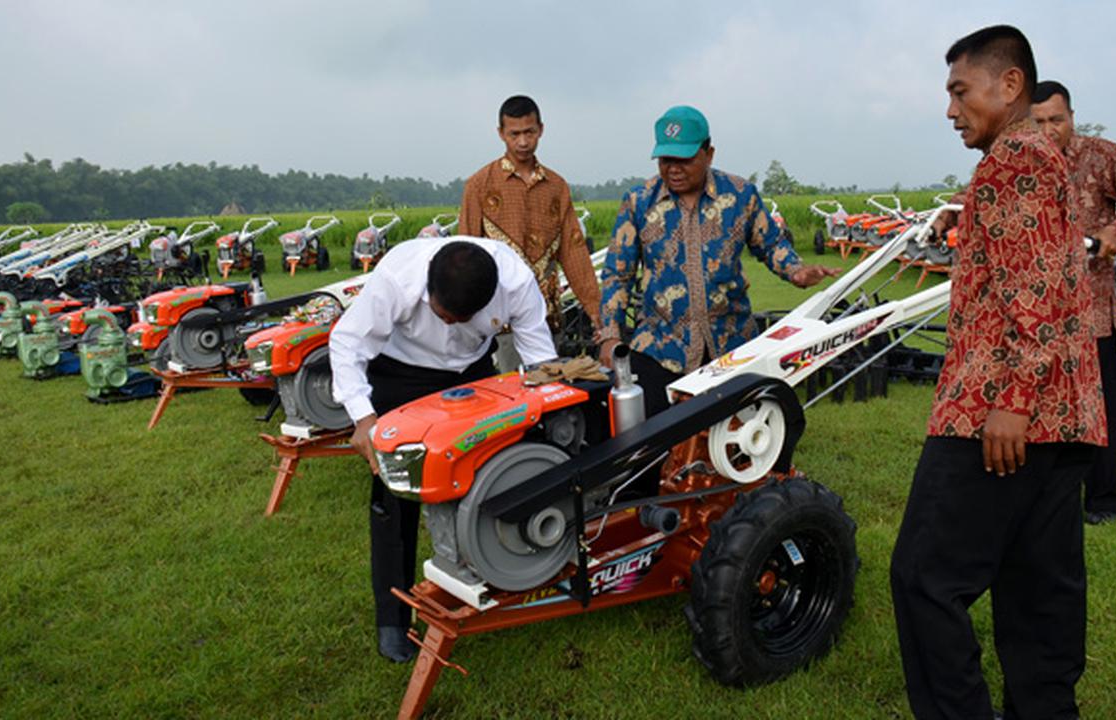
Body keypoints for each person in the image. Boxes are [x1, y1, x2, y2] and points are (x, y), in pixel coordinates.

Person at [889, 26, 1107, 720]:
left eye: (960, 91)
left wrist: (1011, 401)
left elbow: (1036, 291)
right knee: (1037, 595)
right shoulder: (1043, 159)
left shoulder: (1013, 163)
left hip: (996, 415)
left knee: (923, 579)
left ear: (1008, 85)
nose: (951, 110)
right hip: (1062, 419)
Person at [329, 237, 556, 662]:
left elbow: (540, 360)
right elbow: (346, 343)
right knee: (396, 494)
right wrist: (363, 418)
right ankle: (393, 620)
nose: (450, 325)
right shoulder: (398, 277)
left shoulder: (516, 282)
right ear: (427, 290)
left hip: (472, 375)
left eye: (462, 318)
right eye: (443, 315)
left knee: (488, 480)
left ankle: (490, 582)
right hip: (401, 373)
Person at [596, 105, 839, 415]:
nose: (674, 169)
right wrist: (610, 335)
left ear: (708, 153)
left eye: (684, 160)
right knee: (657, 450)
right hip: (660, 348)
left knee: (743, 443)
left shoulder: (740, 195)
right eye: (666, 160)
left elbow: (771, 243)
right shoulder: (638, 201)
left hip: (731, 346)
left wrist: (797, 271)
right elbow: (618, 274)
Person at [1031, 80, 1116, 525]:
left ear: (1072, 116)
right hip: (1039, 313)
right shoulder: (1022, 160)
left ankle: (1104, 500)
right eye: (1039, 121)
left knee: (1101, 406)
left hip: (1090, 311)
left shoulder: (1101, 155)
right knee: (1044, 405)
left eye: (1057, 119)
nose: (1049, 129)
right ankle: (1050, 498)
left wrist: (1115, 232)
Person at [459, 95, 602, 365]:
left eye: (529, 132)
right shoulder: (479, 185)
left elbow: (573, 250)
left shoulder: (556, 187)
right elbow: (467, 251)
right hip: (499, 320)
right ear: (501, 133)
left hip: (547, 318)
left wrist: (594, 307)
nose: (523, 142)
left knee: (549, 389)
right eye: (514, 134)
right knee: (511, 396)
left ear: (541, 130)